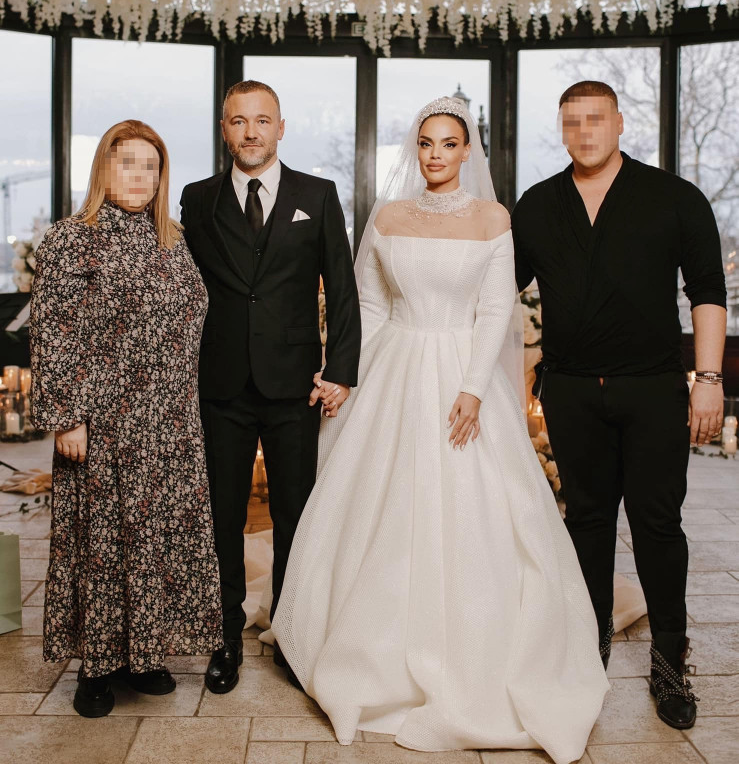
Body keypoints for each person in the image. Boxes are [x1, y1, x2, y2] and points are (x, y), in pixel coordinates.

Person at [271, 96, 608, 762]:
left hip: (461, 371)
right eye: (426, 143)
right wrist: (352, 379)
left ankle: (476, 650)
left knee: (474, 509)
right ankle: (367, 647)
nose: (435, 155)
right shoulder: (389, 216)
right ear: (415, 149)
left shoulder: (492, 219)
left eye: (448, 144)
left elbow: (495, 309)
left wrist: (474, 388)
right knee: (381, 505)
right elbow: (369, 304)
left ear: (466, 151)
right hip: (394, 366)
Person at [511, 80, 727, 731]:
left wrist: (708, 378)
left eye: (595, 119)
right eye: (571, 122)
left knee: (658, 526)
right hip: (571, 390)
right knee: (586, 522)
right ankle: (587, 652)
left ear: (619, 123)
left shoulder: (674, 198)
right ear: (561, 128)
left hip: (653, 389)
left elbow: (707, 291)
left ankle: (669, 664)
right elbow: (496, 294)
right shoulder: (538, 204)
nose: (584, 132)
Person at [29, 120, 222, 718]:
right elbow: (53, 332)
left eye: (150, 166)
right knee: (103, 546)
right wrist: (67, 416)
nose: (139, 176)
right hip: (104, 424)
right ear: (103, 170)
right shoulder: (72, 238)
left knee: (155, 543)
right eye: (127, 163)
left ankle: (145, 655)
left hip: (168, 423)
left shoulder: (172, 239)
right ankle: (95, 668)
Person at [180, 80, 361, 695]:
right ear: (224, 130)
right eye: (239, 121)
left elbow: (342, 288)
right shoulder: (197, 198)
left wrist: (340, 370)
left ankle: (290, 631)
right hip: (221, 383)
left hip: (295, 385)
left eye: (262, 120)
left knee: (295, 514)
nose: (251, 131)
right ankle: (225, 638)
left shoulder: (318, 194)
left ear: (281, 128)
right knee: (222, 516)